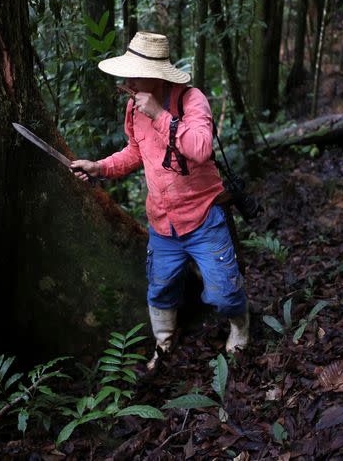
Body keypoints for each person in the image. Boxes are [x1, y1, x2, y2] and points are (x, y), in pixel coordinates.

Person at [70, 31, 249, 372]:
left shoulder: (190, 100)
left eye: (134, 74)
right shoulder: (133, 107)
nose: (127, 81)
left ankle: (240, 328)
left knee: (225, 293)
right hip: (162, 222)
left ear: (155, 75)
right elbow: (135, 152)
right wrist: (100, 168)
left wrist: (158, 114)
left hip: (203, 216)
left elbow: (200, 149)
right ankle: (164, 345)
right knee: (161, 289)